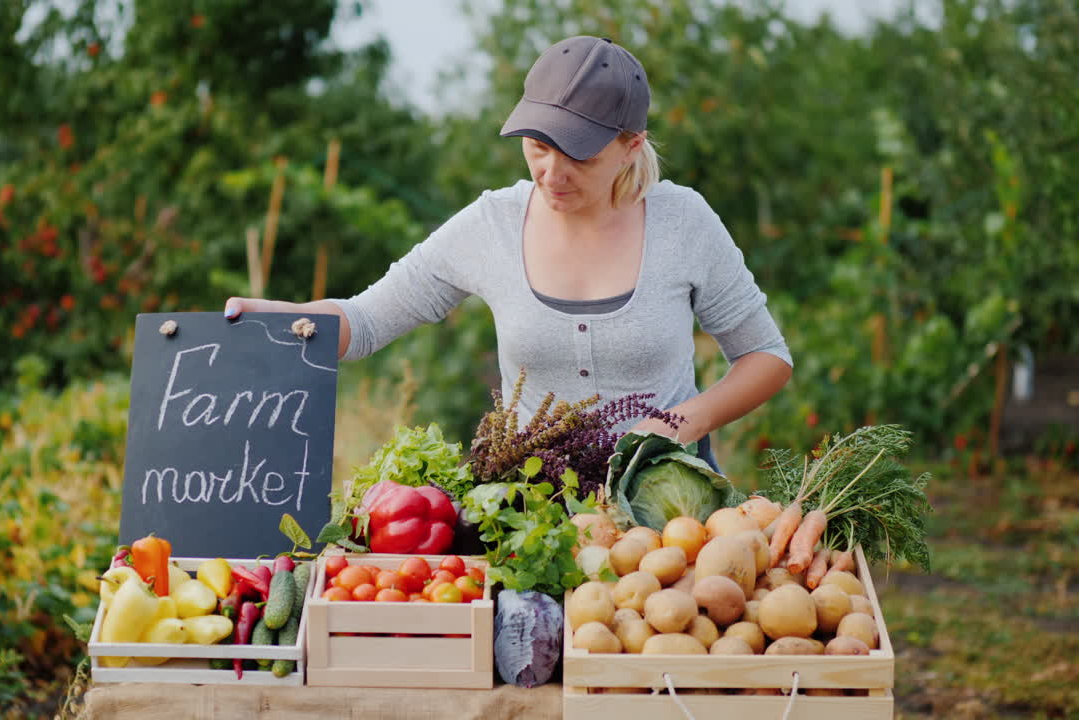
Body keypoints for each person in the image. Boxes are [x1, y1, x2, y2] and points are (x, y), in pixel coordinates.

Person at [224, 35, 792, 472]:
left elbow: (765, 355)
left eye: (581, 156)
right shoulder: (491, 224)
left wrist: (677, 423)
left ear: (631, 145)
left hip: (669, 521)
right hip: (535, 521)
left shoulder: (683, 221)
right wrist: (276, 319)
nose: (553, 172)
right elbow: (367, 320)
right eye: (538, 147)